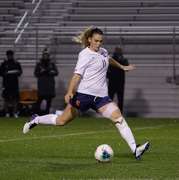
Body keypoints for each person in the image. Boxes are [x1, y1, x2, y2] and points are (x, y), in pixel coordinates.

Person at [23, 26, 149, 159]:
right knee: (61, 121)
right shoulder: (84, 55)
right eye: (96, 41)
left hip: (101, 98)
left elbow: (108, 60)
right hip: (84, 96)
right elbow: (76, 75)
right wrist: (70, 91)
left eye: (101, 41)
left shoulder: (103, 52)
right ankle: (36, 119)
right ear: (89, 40)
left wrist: (121, 66)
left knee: (119, 119)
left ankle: (135, 149)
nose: (98, 44)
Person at [0, 50, 22, 118]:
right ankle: (7, 112)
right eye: (9, 55)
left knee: (15, 98)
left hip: (14, 83)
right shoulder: (4, 63)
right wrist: (4, 73)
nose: (10, 56)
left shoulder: (16, 63)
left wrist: (18, 72)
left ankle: (15, 112)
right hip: (6, 84)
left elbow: (20, 71)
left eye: (11, 55)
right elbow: (0, 72)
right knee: (6, 98)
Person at [34, 48, 59, 115]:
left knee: (49, 99)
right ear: (43, 55)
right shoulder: (39, 63)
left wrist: (51, 72)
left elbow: (56, 72)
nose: (46, 56)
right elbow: (36, 73)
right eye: (45, 54)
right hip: (42, 84)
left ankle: (47, 112)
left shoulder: (51, 63)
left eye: (47, 54)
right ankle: (37, 111)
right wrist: (40, 72)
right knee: (40, 98)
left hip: (49, 83)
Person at [107, 46, 129, 113]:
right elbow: (106, 69)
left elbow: (126, 68)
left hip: (120, 81)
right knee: (110, 97)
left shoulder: (124, 60)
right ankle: (109, 112)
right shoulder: (111, 60)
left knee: (120, 98)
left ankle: (120, 113)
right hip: (112, 81)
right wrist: (109, 76)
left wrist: (121, 61)